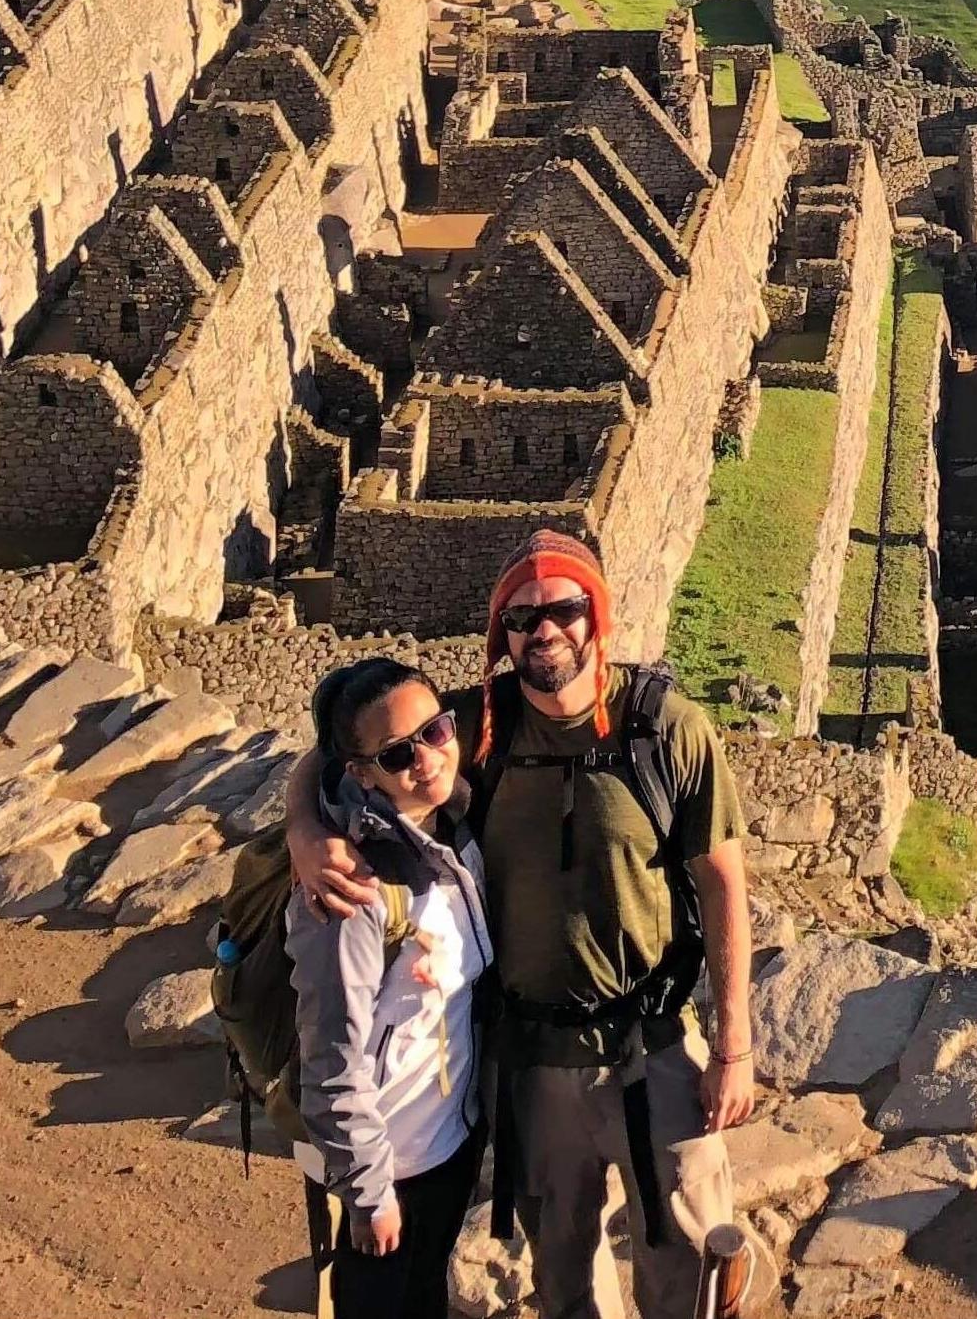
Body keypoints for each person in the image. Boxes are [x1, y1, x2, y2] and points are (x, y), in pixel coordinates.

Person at [289, 535, 753, 1319]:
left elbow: (724, 886)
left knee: (687, 1271)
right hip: (535, 1064)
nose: (546, 631)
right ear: (501, 636)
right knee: (562, 1278)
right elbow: (340, 748)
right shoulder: (471, 725)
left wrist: (734, 1046)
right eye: (523, 617)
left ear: (595, 616)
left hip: (656, 1053)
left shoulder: (663, 729)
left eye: (565, 609)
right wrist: (306, 828)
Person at [287, 658, 493, 1319]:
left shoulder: (456, 828)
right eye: (399, 753)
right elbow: (329, 1062)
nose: (427, 758)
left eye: (435, 731)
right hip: (387, 1167)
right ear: (361, 773)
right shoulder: (349, 888)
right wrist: (368, 1193)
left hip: (446, 1149)